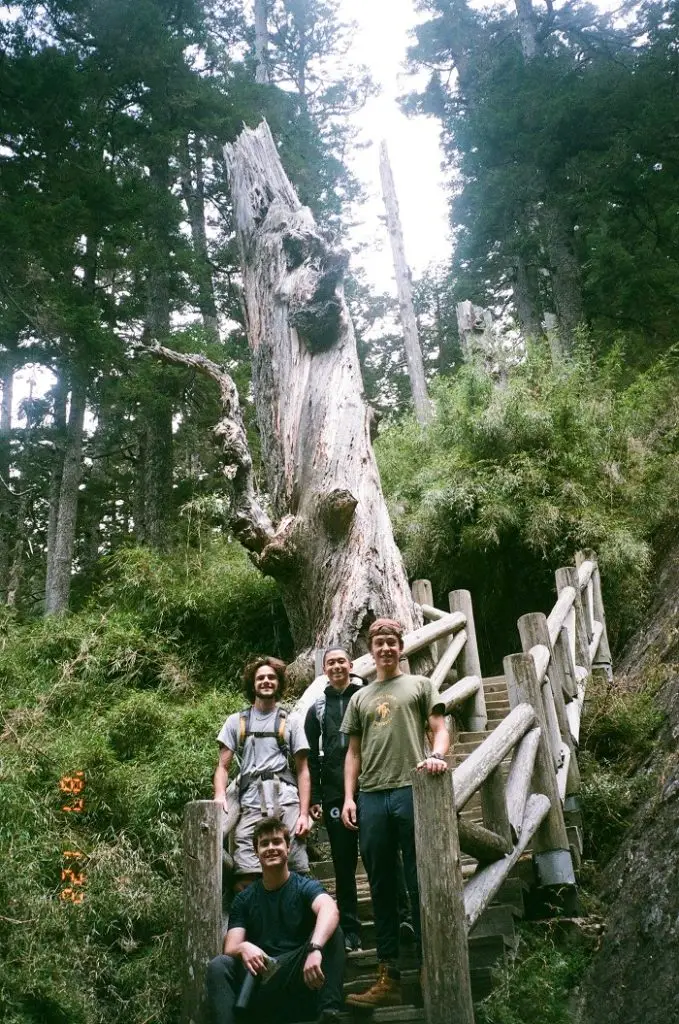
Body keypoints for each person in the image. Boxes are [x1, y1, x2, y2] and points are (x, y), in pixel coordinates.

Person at [340, 619, 450, 1009]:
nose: (385, 648)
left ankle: (428, 965)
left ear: (400, 647)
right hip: (371, 795)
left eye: (392, 642)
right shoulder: (360, 697)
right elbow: (352, 752)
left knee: (419, 876)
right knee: (381, 884)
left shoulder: (420, 685)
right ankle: (389, 975)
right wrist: (349, 797)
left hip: (410, 787)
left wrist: (437, 756)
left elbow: (439, 728)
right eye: (379, 643)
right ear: (371, 650)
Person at [305, 647, 414, 954]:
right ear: (324, 669)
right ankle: (350, 930)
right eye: (331, 663)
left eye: (341, 661)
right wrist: (315, 796)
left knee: (386, 854)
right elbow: (312, 755)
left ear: (351, 665)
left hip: (373, 787)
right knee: (342, 862)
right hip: (335, 793)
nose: (337, 666)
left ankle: (403, 917)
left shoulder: (367, 696)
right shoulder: (318, 707)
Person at [206, 816, 345, 1024]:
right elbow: (231, 947)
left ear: (288, 848)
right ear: (256, 852)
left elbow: (329, 908)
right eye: (264, 844)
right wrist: (244, 947)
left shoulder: (304, 886)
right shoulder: (244, 899)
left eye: (277, 842)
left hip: (299, 975)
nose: (271, 848)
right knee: (218, 965)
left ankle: (329, 1012)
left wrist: (314, 949)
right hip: (262, 977)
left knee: (332, 930)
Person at [214, 656, 311, 883]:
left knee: (295, 866)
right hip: (251, 801)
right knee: (246, 867)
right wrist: (220, 795)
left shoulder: (292, 721)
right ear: (253, 684)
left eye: (271, 677)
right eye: (260, 678)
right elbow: (222, 766)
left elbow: (303, 769)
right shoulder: (236, 721)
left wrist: (305, 814)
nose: (266, 681)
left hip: (287, 799)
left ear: (278, 683)